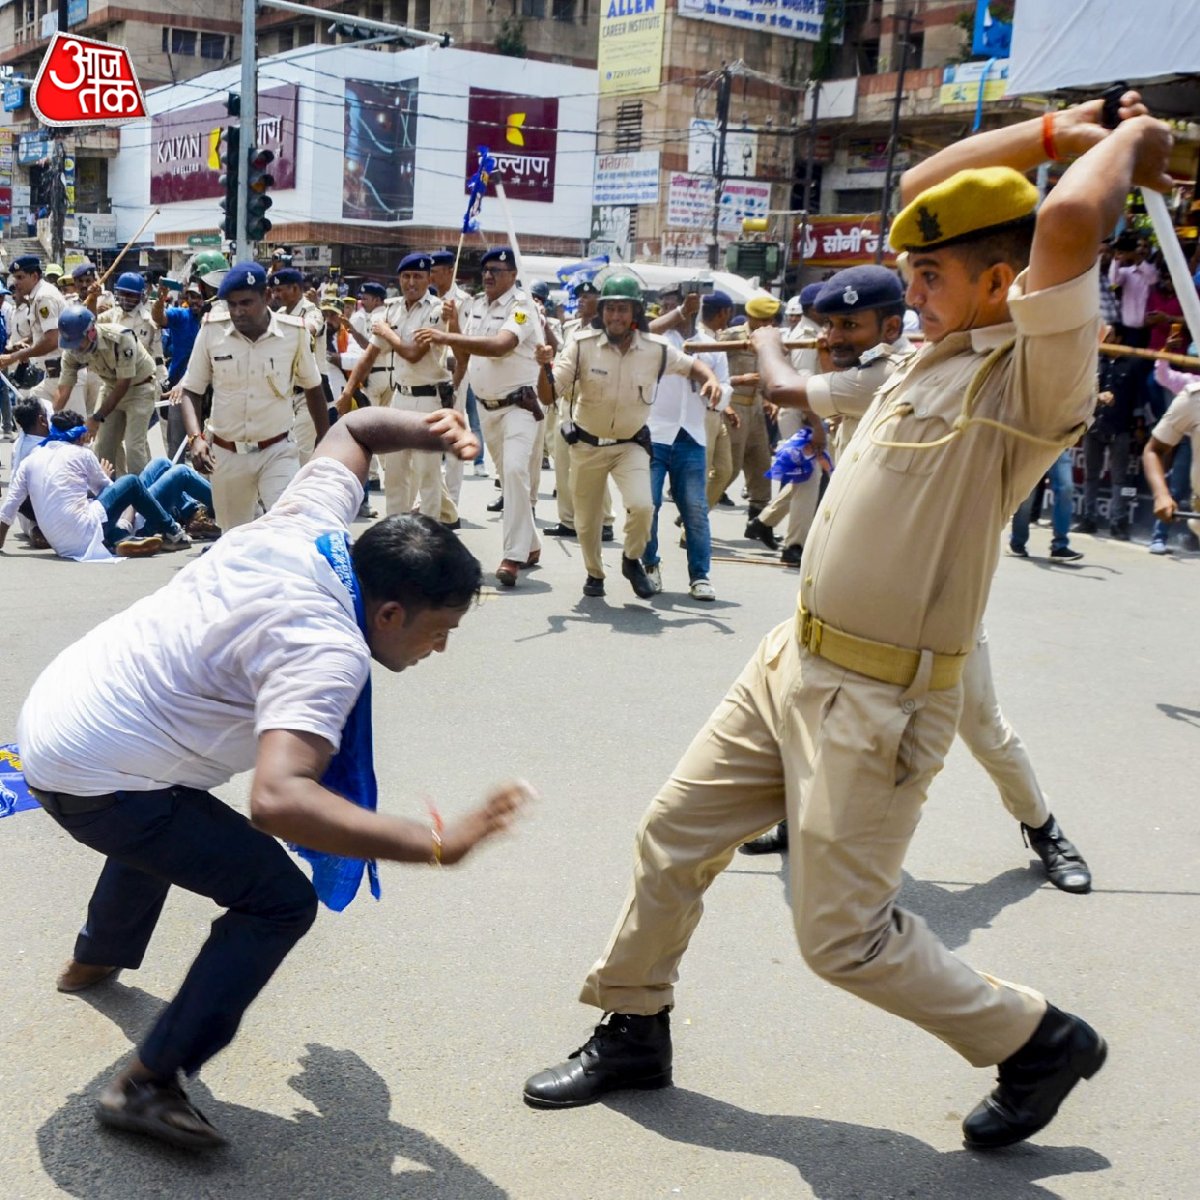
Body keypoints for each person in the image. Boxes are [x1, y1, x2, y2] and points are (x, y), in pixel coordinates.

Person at [522, 91, 1170, 1149]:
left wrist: (1136, 146)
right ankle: (633, 1024)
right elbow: (922, 191)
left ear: (1003, 283)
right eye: (910, 275)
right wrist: (1064, 130)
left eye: (931, 277)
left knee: (842, 940)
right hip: (793, 662)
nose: (908, 293)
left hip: (882, 697)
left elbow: (1062, 227)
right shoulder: (933, 346)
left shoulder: (1031, 372)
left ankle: (1035, 1039)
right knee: (674, 836)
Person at [16, 404, 528, 1151]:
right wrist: (432, 843)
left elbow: (353, 431)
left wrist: (426, 427)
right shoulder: (327, 650)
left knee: (171, 803)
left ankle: (96, 954)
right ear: (388, 612)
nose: (439, 649)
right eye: (438, 631)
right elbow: (280, 800)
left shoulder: (305, 527)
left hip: (61, 712)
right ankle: (147, 1081)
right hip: (95, 773)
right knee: (278, 900)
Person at [538, 274, 720, 599]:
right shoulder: (581, 347)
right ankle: (594, 574)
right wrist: (543, 367)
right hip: (586, 445)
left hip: (630, 445)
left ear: (635, 312)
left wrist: (711, 380)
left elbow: (693, 366)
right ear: (602, 311)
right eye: (610, 309)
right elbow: (550, 394)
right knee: (587, 522)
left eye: (623, 309)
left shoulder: (656, 350)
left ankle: (631, 559)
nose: (616, 317)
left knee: (643, 506)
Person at [415, 246, 548, 588]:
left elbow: (501, 345)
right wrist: (456, 324)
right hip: (488, 408)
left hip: (520, 405)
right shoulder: (473, 306)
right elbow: (464, 353)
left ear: (513, 276)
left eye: (497, 271)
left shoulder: (523, 307)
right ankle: (531, 544)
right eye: (486, 270)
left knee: (515, 473)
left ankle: (512, 556)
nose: (488, 275)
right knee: (509, 475)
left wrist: (447, 334)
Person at [178, 262, 328, 532]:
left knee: (287, 526)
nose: (238, 311)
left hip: (277, 449)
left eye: (246, 303)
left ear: (267, 296)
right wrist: (195, 440)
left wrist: (325, 443)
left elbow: (313, 387)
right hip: (225, 454)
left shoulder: (294, 333)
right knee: (233, 537)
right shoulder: (212, 330)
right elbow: (192, 390)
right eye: (232, 304)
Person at [343, 254, 454, 521]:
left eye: (418, 276)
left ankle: (428, 537)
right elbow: (369, 354)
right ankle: (395, 532)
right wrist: (347, 392)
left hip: (429, 400)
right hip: (399, 398)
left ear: (429, 279)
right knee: (395, 473)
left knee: (427, 475)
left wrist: (388, 333)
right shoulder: (392, 310)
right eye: (406, 276)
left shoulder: (437, 311)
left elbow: (414, 353)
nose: (411, 282)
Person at [0, 410, 191, 559]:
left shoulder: (31, 459)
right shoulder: (81, 454)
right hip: (84, 531)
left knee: (106, 505)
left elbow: (9, 506)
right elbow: (113, 495)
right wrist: (105, 477)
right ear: (81, 436)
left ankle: (118, 538)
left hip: (59, 543)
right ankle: (172, 532)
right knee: (131, 482)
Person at [641, 289, 731, 600]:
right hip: (654, 434)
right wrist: (678, 312)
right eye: (666, 308)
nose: (671, 314)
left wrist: (715, 391)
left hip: (692, 434)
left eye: (678, 307)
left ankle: (700, 576)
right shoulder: (654, 340)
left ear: (697, 308)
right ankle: (649, 565)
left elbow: (724, 384)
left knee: (695, 508)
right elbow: (640, 331)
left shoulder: (713, 345)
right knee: (647, 505)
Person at [544, 279, 615, 543]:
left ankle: (605, 520)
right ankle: (568, 520)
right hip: (566, 401)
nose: (583, 300)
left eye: (589, 295)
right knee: (562, 463)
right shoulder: (571, 327)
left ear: (600, 299)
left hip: (592, 402)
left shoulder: (607, 331)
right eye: (580, 296)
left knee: (593, 463)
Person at [55, 305, 159, 477]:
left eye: (77, 344)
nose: (75, 350)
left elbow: (123, 384)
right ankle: (109, 492)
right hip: (111, 388)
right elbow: (64, 387)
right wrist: (54, 418)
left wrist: (96, 418)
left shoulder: (121, 338)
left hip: (139, 389)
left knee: (134, 446)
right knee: (103, 445)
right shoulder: (72, 350)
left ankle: (144, 494)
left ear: (91, 332)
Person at [268, 266, 328, 464]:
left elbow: (310, 328)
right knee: (280, 452)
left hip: (308, 396)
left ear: (295, 288)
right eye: (274, 290)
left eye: (280, 289)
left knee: (300, 454)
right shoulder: (281, 313)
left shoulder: (311, 310)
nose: (276, 294)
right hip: (285, 394)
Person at [0, 255, 65, 407]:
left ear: (34, 276)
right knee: (27, 414)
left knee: (70, 427)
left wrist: (14, 356)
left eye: (20, 277)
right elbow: (43, 333)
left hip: (62, 375)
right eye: (15, 278)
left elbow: (52, 340)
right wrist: (23, 344)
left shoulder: (44, 297)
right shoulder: (38, 295)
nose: (15, 283)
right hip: (50, 376)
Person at [1009, 451, 1083, 561]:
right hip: (1033, 442)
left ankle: (1060, 546)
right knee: (1027, 492)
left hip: (1059, 443)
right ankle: (1016, 543)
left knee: (1066, 488)